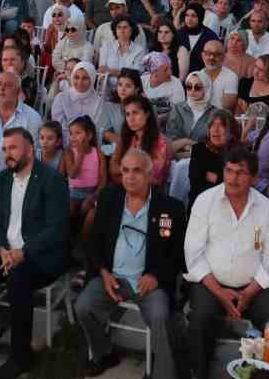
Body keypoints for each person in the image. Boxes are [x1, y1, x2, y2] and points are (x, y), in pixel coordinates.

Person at [0, 126, 70, 379]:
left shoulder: (51, 180)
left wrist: (23, 253)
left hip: (40, 255)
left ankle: (20, 356)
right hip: (6, 251)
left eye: (13, 148)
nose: (7, 154)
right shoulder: (2, 180)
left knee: (17, 279)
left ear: (30, 149)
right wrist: (2, 249)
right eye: (4, 149)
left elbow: (57, 228)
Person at [75, 148, 187, 379]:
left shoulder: (170, 208)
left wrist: (156, 275)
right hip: (113, 278)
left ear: (150, 175)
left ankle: (163, 373)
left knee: (159, 315)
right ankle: (104, 353)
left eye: (136, 171)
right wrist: (103, 273)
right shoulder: (109, 198)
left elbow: (177, 254)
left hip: (148, 283)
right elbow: (93, 242)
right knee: (83, 306)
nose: (129, 176)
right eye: (125, 170)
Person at [184, 147, 269, 379]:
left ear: (253, 177)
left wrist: (249, 292)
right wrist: (220, 292)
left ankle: (266, 375)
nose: (233, 178)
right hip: (210, 283)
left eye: (240, 173)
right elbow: (193, 253)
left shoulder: (266, 209)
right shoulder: (205, 201)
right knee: (199, 320)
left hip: (254, 286)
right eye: (229, 171)